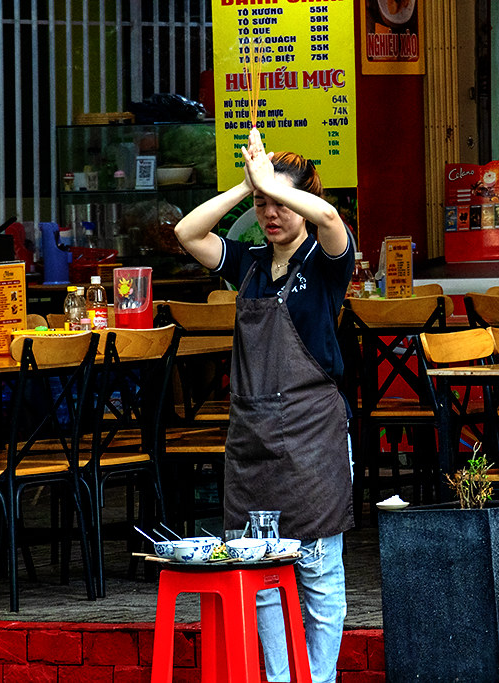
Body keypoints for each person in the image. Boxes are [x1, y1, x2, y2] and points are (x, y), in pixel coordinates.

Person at [174, 127, 355, 683]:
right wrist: (244, 187)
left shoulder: (326, 262)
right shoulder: (248, 263)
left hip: (313, 437)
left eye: (281, 203)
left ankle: (318, 680)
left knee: (319, 575)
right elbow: (187, 232)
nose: (271, 214)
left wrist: (272, 183)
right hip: (251, 439)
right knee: (260, 579)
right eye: (263, 206)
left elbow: (328, 220)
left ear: (302, 201)